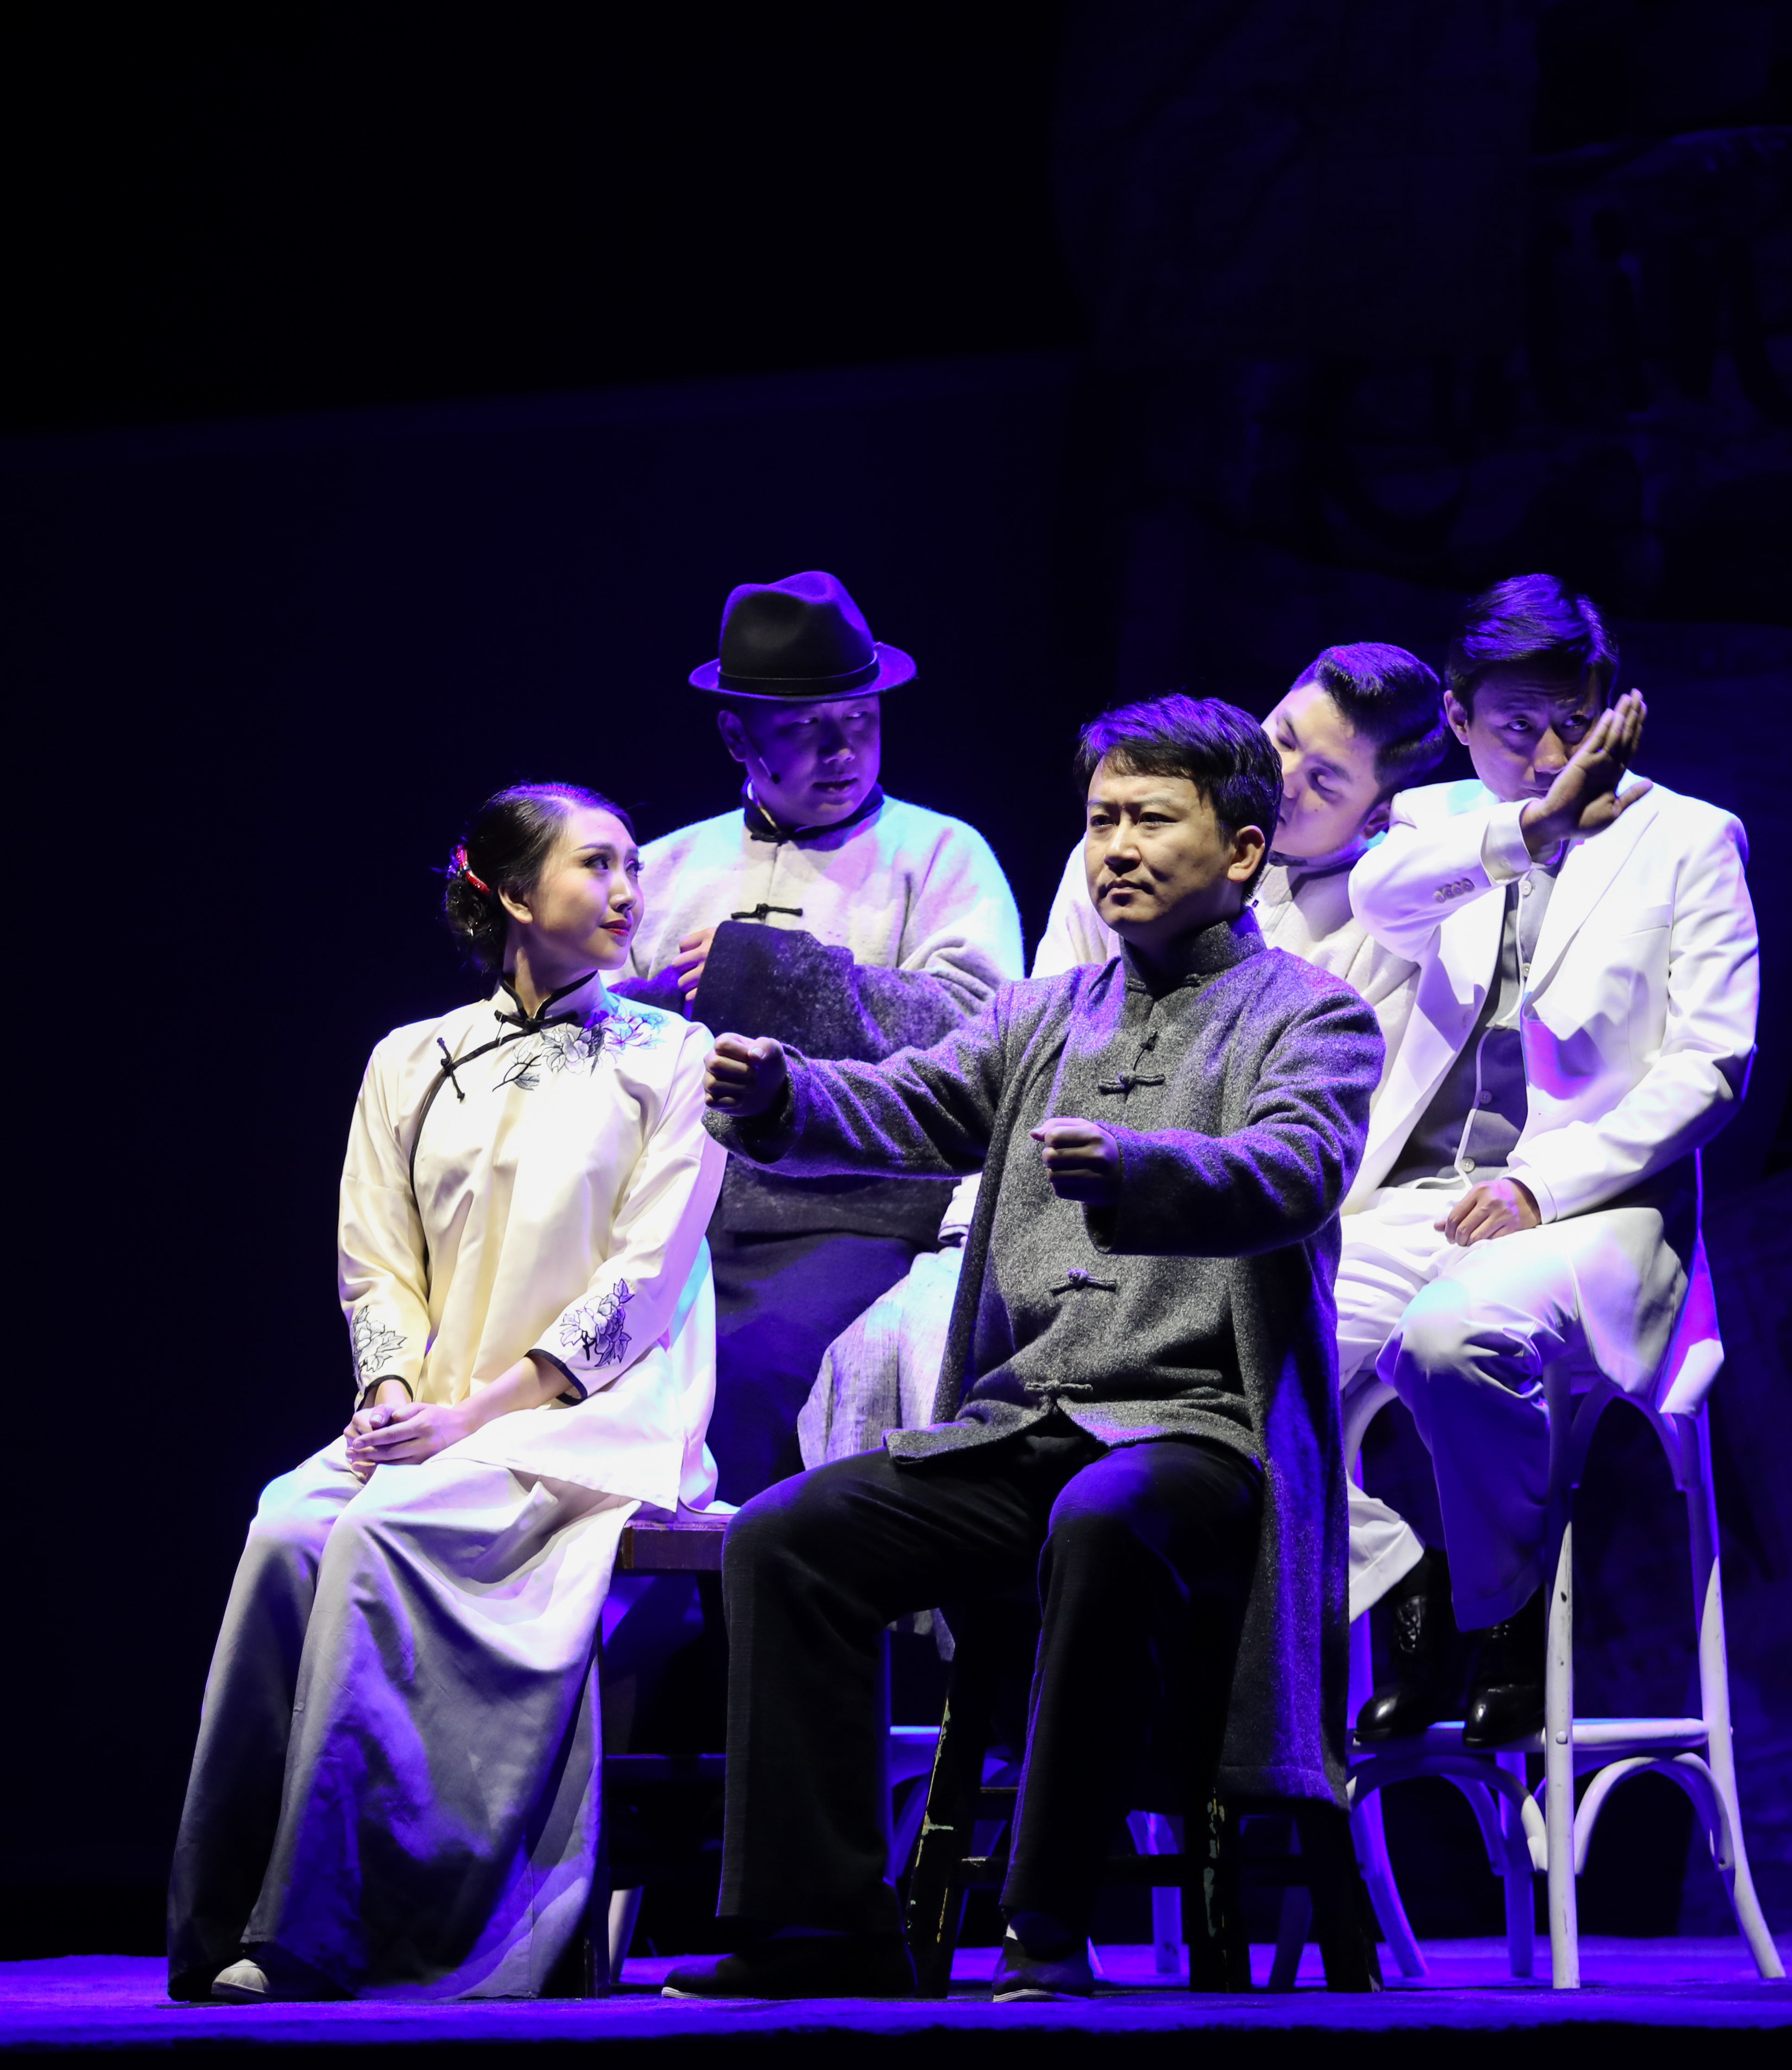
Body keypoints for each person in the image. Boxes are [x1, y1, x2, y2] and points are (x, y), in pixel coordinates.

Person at [675, 697, 1381, 2003]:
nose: (1117, 847)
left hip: (1198, 1435)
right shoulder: (1044, 1015)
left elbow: (1298, 1167)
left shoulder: (1310, 1017)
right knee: (785, 1536)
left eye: (1151, 819)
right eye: (1102, 820)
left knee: (1106, 1517)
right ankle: (820, 1925)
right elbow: (915, 1099)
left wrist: (1141, 1168)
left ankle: (1047, 1921)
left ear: (1241, 850)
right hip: (1026, 1425)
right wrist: (786, 1094)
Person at [167, 784, 726, 2003]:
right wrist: (390, 1394)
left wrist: (474, 1417)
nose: (629, 889)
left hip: (592, 1418)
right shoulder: (409, 1059)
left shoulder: (676, 1056)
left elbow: (644, 1281)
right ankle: (221, 1914)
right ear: (516, 895)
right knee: (285, 1528)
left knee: (379, 1530)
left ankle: (320, 1929)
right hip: (436, 1407)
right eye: (598, 865)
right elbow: (377, 1261)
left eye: (634, 865)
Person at [797, 642, 1446, 1469]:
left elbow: (1315, 1162)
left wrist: (1139, 1176)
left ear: (1378, 816)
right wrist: (963, 1226)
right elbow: (1008, 1070)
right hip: (1040, 1228)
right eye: (1282, 738)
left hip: (1217, 1269)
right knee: (881, 1350)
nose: (1284, 778)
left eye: (1325, 781)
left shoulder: (1374, 943)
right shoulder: (1116, 857)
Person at [1337, 575, 1760, 1748]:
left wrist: (1543, 1185)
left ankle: (1507, 1611)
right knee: (1239, 1351)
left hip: (1599, 1213)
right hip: (1422, 1205)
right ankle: (1405, 1586)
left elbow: (1713, 1066)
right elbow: (1378, 899)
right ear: (1458, 720)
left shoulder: (1691, 838)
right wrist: (1536, 827)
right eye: (1518, 725)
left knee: (1450, 1336)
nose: (1553, 752)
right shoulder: (1435, 828)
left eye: (1576, 719)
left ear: (1613, 704)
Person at [620, 570, 1024, 1504]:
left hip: (849, 1215)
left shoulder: (941, 853)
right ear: (738, 736)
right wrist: (650, 997)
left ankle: (734, 1594)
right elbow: (593, 1027)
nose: (843, 750)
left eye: (862, 720)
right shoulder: (665, 865)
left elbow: (977, 1028)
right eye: (807, 728)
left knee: (748, 1382)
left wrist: (771, 973)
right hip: (672, 1217)